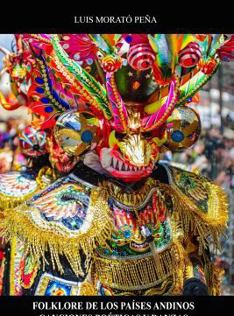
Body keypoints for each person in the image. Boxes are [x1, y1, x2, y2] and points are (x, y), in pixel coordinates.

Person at [0, 34, 232, 295]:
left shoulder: (178, 196)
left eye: (148, 133)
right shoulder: (45, 218)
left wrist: (194, 280)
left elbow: (194, 257)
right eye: (122, 135)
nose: (137, 153)